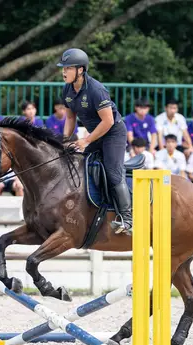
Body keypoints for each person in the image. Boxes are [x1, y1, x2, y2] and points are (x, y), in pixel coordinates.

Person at [57, 48, 132, 234]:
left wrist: (85, 141)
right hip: (96, 135)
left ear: (80, 70)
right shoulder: (67, 89)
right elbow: (70, 118)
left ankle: (128, 218)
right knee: (79, 165)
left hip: (113, 133)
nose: (63, 72)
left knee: (113, 172)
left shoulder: (96, 90)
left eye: (68, 68)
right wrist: (65, 140)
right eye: (63, 68)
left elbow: (108, 121)